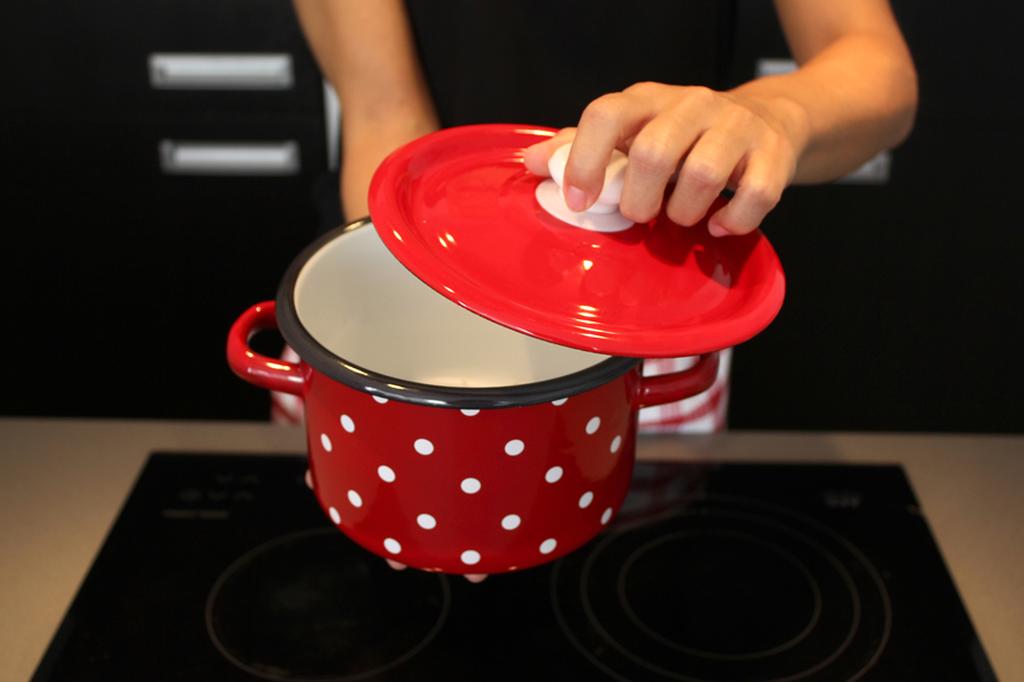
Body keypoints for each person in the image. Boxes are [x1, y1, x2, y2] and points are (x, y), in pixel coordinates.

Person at [278, 1, 917, 434]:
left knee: (639, 571)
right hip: (404, 302)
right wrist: (428, 395)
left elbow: (874, 63)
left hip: (652, 333)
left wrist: (773, 116)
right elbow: (384, 114)